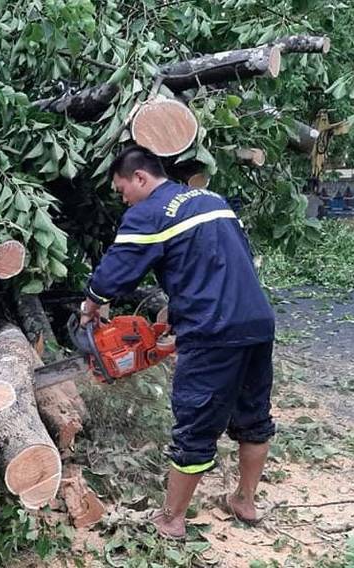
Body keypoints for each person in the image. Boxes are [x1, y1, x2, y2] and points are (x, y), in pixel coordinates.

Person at [78, 145, 276, 539]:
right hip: (256, 319)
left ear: (140, 177)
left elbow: (117, 269)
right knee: (254, 417)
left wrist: (91, 305)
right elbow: (222, 259)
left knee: (194, 423)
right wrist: (176, 309)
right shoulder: (210, 199)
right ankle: (245, 501)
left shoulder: (149, 212)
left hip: (212, 330)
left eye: (122, 190)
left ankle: (171, 519)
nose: (123, 199)